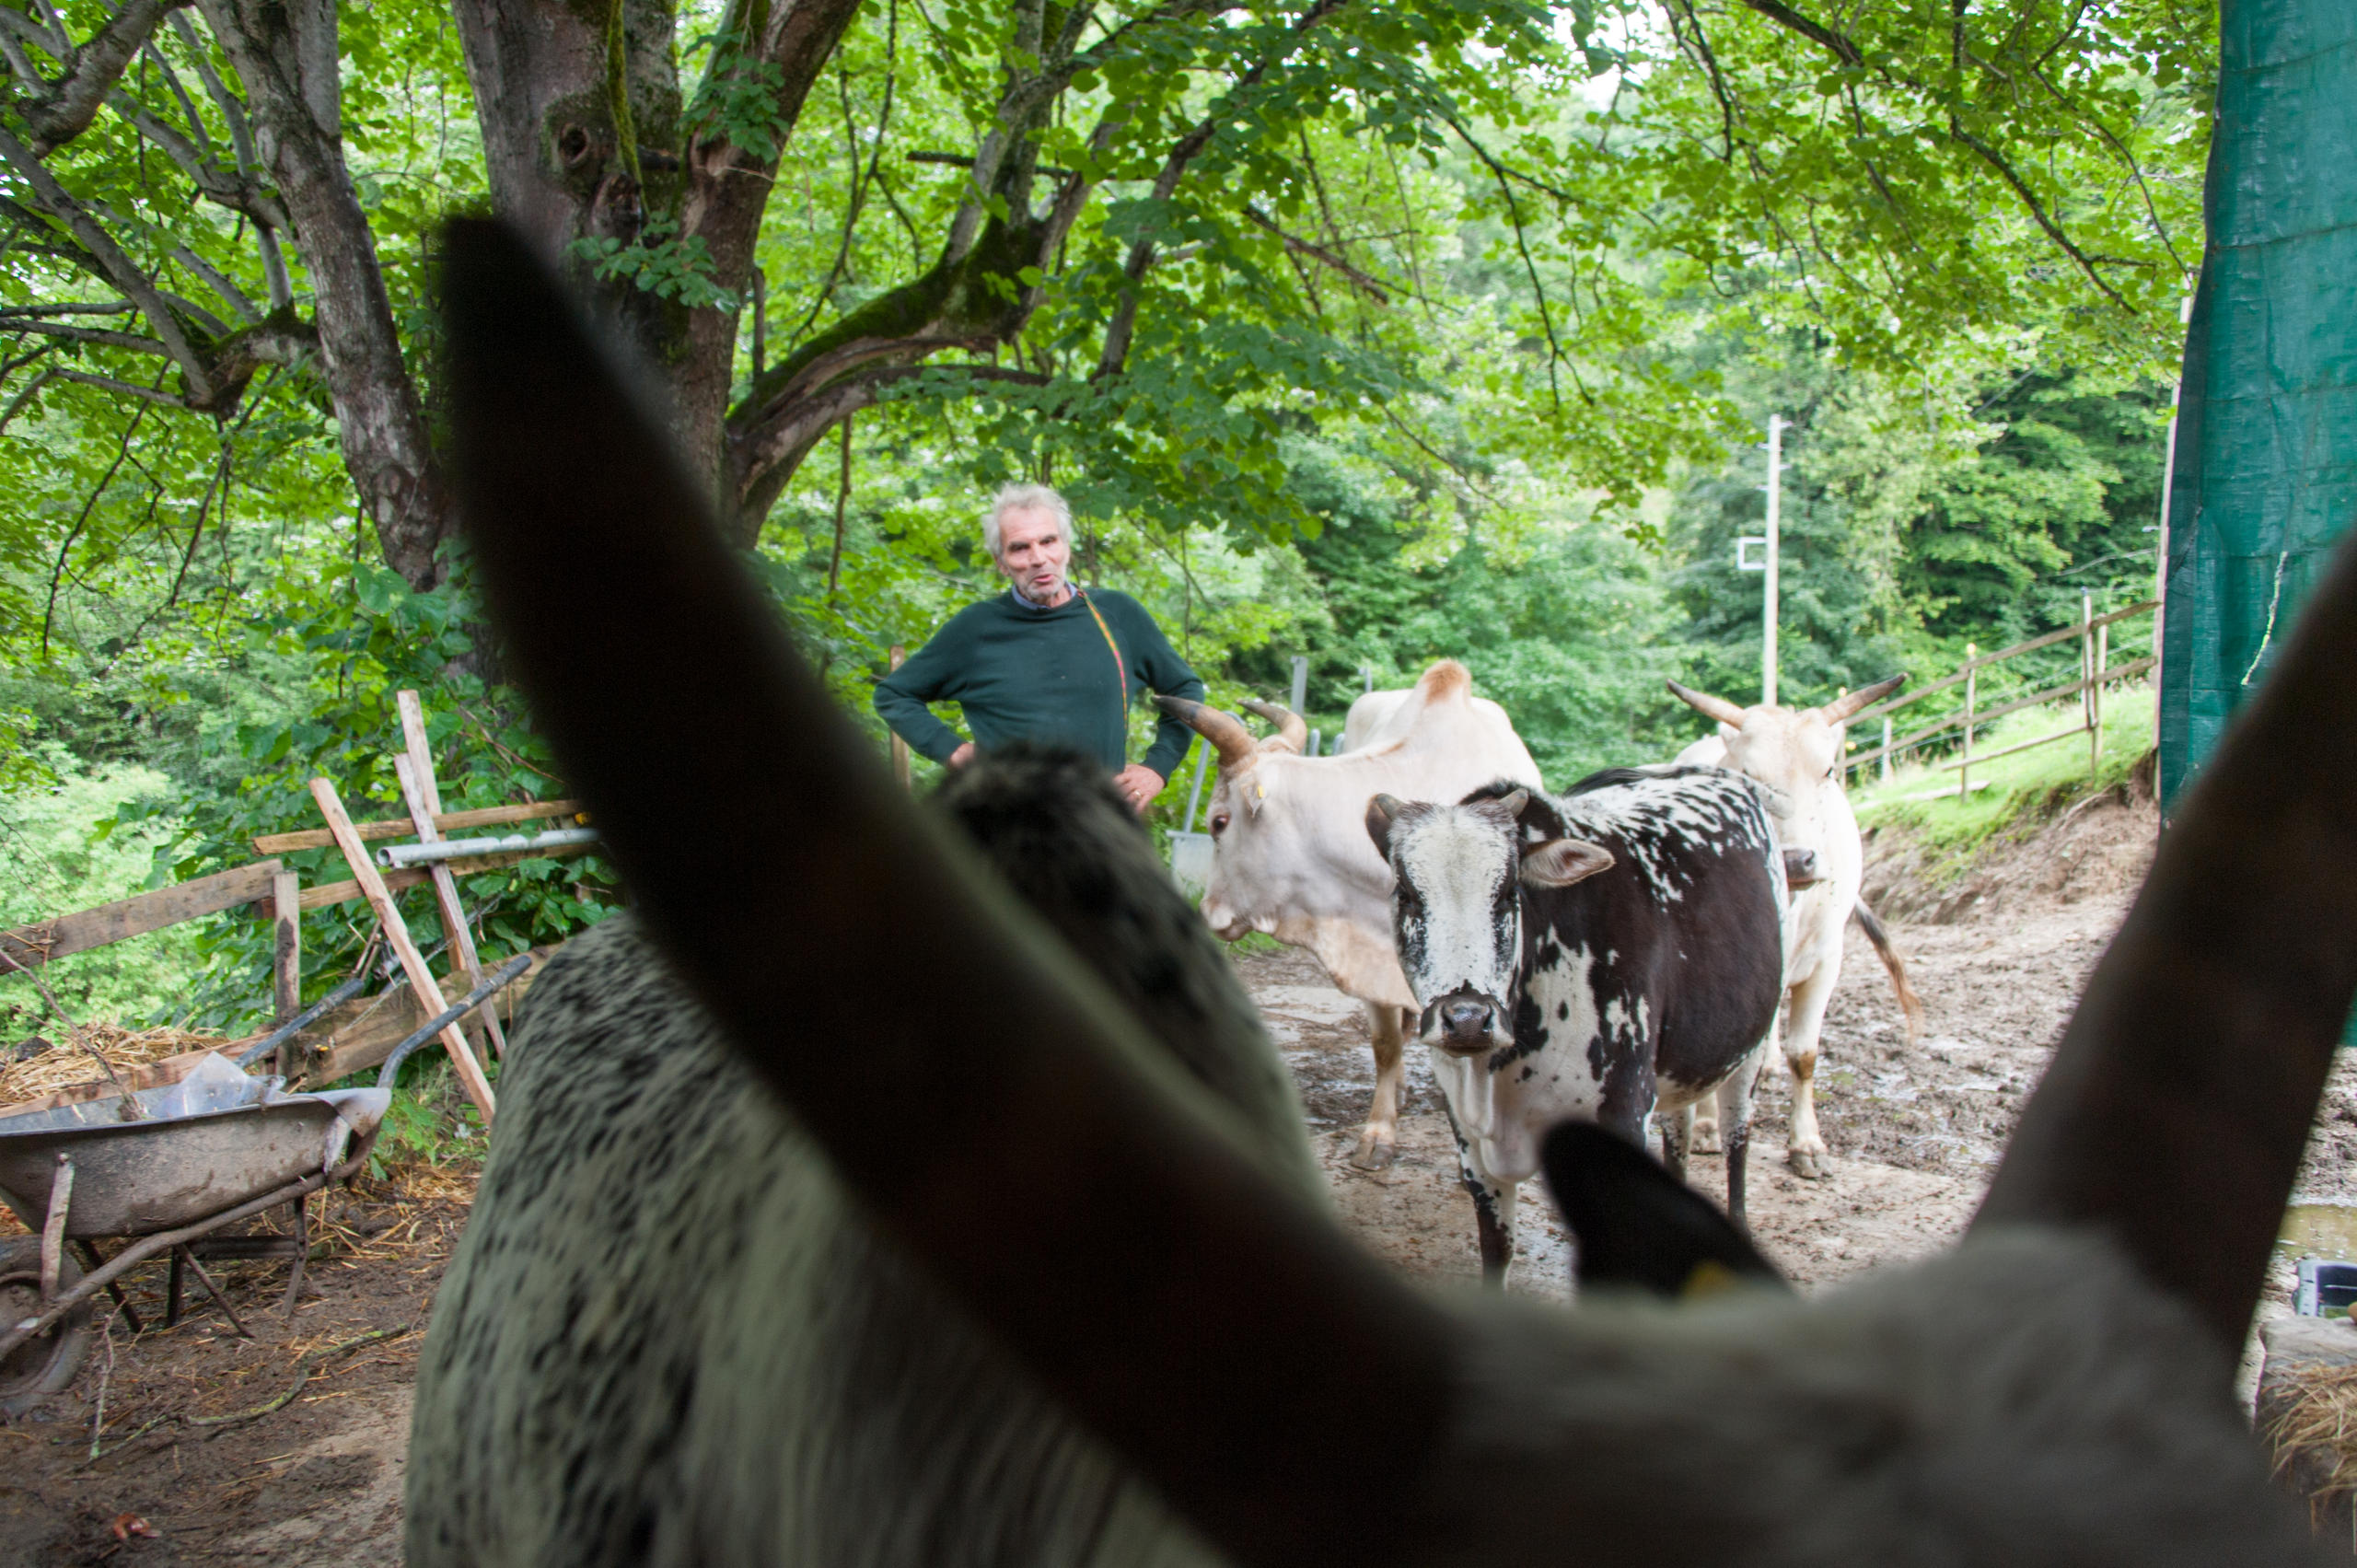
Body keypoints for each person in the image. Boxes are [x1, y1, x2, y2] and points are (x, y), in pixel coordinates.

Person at [874, 483, 1204, 811]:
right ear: (1001, 562)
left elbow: (1184, 687)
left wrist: (1156, 769)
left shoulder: (1117, 615)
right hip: (1005, 831)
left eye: (1048, 541)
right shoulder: (976, 629)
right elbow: (893, 694)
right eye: (1020, 548)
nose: (1038, 558)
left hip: (1100, 828)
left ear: (1066, 546)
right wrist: (955, 751)